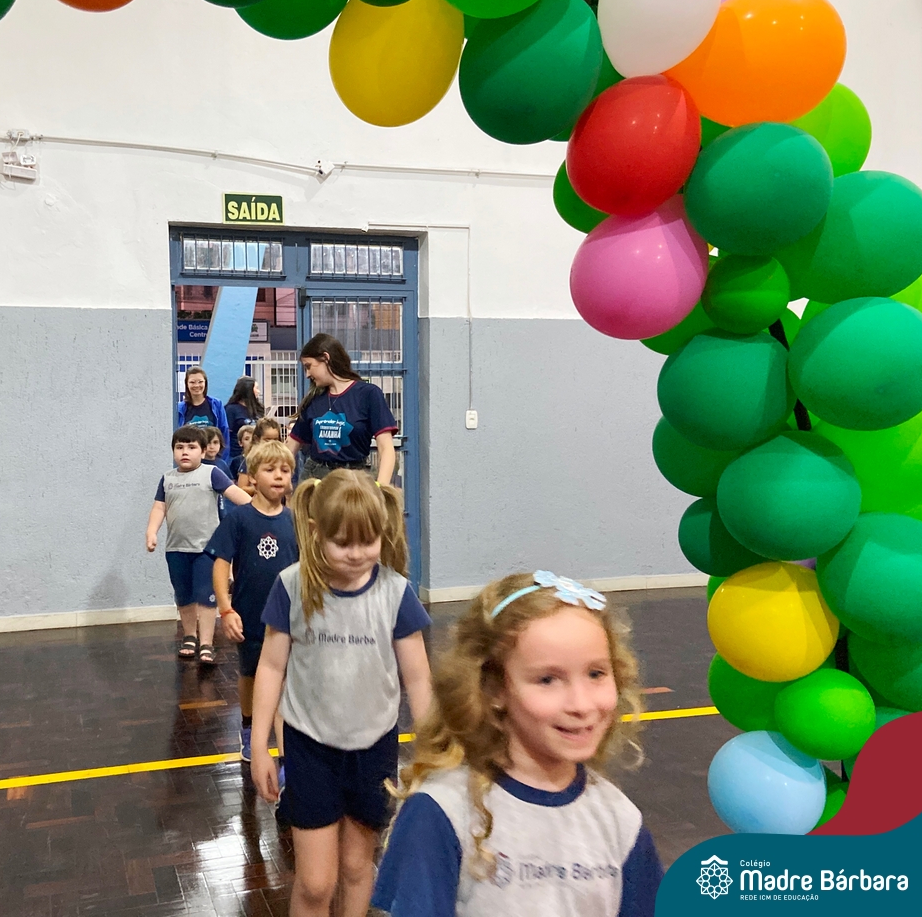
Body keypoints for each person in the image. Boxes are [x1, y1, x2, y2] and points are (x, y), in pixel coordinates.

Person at [371, 571, 662, 917]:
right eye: (548, 679)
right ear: (494, 688)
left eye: (596, 674)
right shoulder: (443, 812)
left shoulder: (620, 822)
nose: (581, 704)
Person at [251, 470, 433, 917]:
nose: (357, 554)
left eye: (368, 542)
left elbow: (419, 679)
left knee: (356, 867)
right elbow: (271, 667)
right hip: (310, 748)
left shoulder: (395, 593)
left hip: (374, 749)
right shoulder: (292, 586)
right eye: (342, 543)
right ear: (316, 531)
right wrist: (259, 747)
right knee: (316, 883)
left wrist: (433, 752)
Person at [205, 440, 298, 764]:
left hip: (288, 618)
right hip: (250, 613)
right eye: (270, 469)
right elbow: (220, 565)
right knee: (250, 675)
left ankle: (286, 755)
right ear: (253, 477)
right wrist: (226, 609)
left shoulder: (296, 521)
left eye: (285, 470)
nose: (278, 476)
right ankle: (248, 726)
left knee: (284, 681)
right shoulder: (238, 519)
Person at [146, 426, 250, 666]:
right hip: (176, 549)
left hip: (207, 550)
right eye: (179, 447)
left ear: (203, 452)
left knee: (206, 596)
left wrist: (259, 510)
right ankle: (189, 636)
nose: (185, 452)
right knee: (184, 596)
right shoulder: (168, 479)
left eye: (191, 447)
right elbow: (159, 507)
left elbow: (235, 493)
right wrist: (151, 532)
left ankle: (206, 642)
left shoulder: (211, 473)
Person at [287, 334, 397, 486]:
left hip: (355, 479)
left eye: (308, 366)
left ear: (326, 358)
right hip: (316, 480)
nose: (307, 374)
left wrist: (381, 488)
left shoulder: (368, 394)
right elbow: (290, 448)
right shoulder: (313, 399)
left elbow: (386, 448)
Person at [178, 367, 231, 463]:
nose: (196, 385)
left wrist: (222, 460)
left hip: (213, 459)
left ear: (205, 383)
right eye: (192, 382)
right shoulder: (179, 408)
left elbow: (224, 432)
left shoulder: (216, 404)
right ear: (186, 384)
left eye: (200, 382)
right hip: (191, 460)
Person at [225, 376, 264, 464]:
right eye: (256, 388)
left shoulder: (258, 409)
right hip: (237, 455)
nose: (258, 391)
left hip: (257, 454)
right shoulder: (231, 409)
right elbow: (227, 434)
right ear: (248, 390)